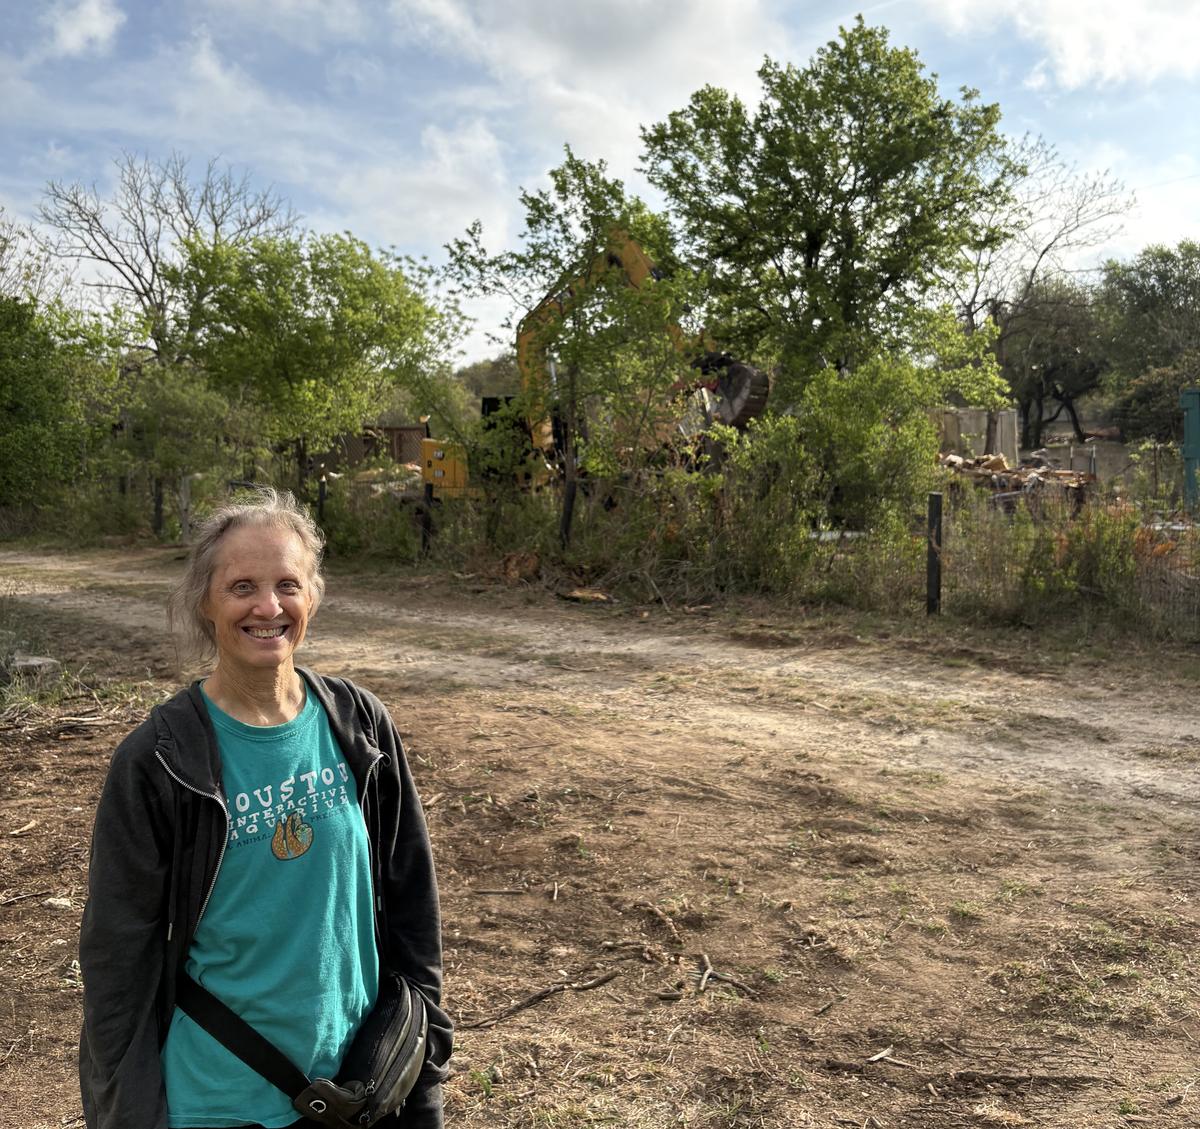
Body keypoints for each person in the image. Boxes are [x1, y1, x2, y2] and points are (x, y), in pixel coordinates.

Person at [78, 488, 451, 1129]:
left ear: (313, 596)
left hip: (356, 1085)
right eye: (242, 587)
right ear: (205, 601)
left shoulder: (358, 723)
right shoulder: (160, 758)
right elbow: (117, 957)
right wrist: (127, 1110)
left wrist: (423, 1069)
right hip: (217, 1100)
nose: (268, 607)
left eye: (287, 585)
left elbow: (411, 903)